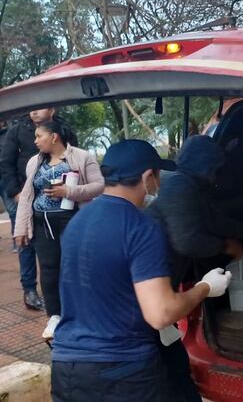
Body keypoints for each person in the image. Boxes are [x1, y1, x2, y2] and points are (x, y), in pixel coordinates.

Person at [51, 139, 232, 402]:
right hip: (121, 372)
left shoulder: (78, 223)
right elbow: (160, 313)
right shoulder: (140, 227)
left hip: (67, 366)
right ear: (149, 177)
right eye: (158, 175)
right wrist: (205, 287)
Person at [146, 135, 243, 402]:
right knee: (164, 367)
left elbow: (213, 220)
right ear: (205, 168)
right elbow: (188, 241)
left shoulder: (191, 188)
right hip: (152, 291)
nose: (215, 178)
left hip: (162, 288)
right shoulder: (179, 187)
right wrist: (224, 247)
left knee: (175, 363)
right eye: (214, 170)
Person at [13, 121, 103, 339]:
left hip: (72, 220)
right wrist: (20, 228)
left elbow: (99, 185)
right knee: (49, 268)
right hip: (42, 221)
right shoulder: (34, 161)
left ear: (54, 137)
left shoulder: (81, 157)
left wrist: (69, 191)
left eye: (39, 136)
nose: (35, 141)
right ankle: (54, 315)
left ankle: (84, 313)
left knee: (77, 266)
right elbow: (27, 196)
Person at [0, 108, 77, 311]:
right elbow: (6, 164)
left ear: (52, 110)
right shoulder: (16, 131)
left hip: (61, 196)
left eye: (40, 108)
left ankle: (65, 287)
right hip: (24, 196)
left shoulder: (64, 128)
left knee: (65, 241)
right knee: (25, 240)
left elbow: (74, 159)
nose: (33, 111)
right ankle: (30, 290)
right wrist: (16, 193)